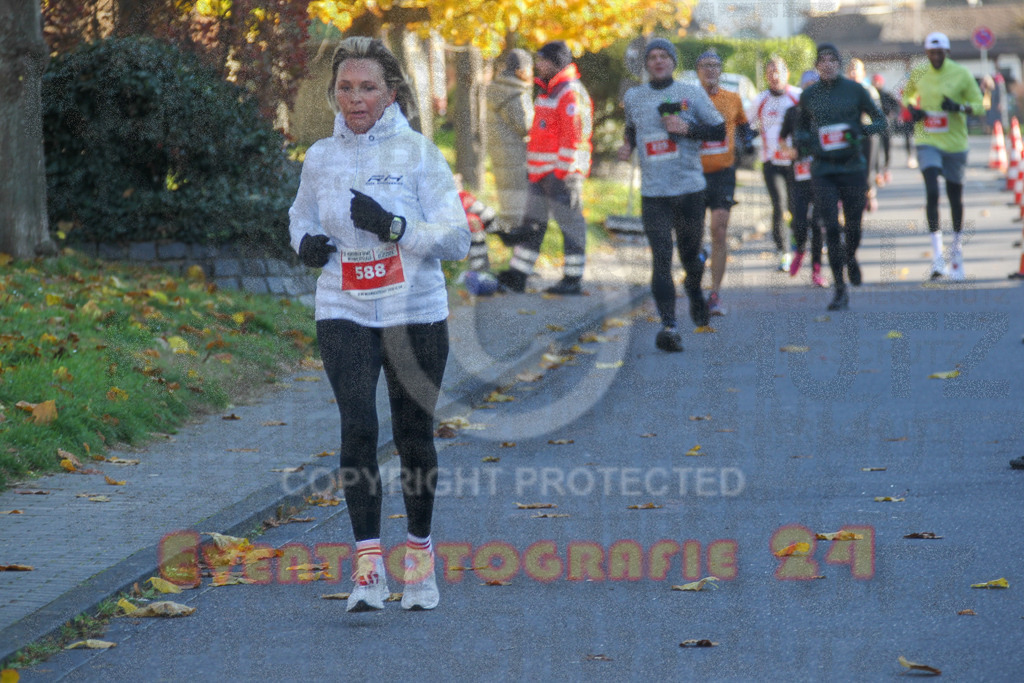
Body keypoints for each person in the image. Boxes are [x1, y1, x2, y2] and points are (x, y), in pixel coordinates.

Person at [288, 37, 470, 612]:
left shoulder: (418, 154)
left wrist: (394, 228)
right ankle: (369, 568)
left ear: (391, 92)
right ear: (333, 94)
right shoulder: (320, 157)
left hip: (412, 308)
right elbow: (299, 216)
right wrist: (306, 244)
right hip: (343, 306)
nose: (356, 98)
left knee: (413, 434)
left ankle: (418, 555)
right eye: (346, 87)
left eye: (367, 87)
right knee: (357, 429)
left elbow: (457, 239)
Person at [617, 38, 725, 352]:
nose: (658, 61)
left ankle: (694, 290)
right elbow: (633, 128)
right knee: (661, 258)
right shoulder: (635, 96)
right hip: (654, 192)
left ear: (673, 61)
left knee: (691, 258)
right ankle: (669, 326)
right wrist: (628, 145)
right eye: (652, 57)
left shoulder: (691, 93)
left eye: (664, 56)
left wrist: (688, 129)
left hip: (689, 189)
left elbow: (718, 130)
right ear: (646, 64)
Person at [497, 41, 593, 295]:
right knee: (533, 224)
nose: (538, 65)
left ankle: (572, 279)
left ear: (555, 62)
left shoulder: (569, 92)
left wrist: (561, 172)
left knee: (569, 225)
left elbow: (573, 137)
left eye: (542, 60)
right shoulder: (548, 90)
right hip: (542, 173)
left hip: (561, 173)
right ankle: (518, 274)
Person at [796, 43, 885, 311]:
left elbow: (881, 121)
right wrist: (811, 142)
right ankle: (840, 289)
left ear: (839, 62)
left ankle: (851, 257)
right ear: (816, 66)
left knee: (853, 227)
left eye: (832, 59)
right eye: (822, 60)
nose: (827, 64)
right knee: (831, 228)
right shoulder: (808, 96)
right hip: (823, 170)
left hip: (853, 168)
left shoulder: (856, 90)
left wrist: (860, 131)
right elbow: (799, 132)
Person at [902, 32, 985, 281]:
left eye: (940, 53)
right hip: (927, 140)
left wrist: (959, 107)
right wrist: (913, 108)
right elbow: (907, 94)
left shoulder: (961, 74)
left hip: (955, 144)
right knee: (932, 191)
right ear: (927, 53)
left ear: (947, 53)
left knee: (954, 196)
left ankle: (956, 252)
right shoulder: (918, 72)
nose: (936, 57)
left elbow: (979, 105)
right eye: (931, 53)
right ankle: (938, 258)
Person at [695, 49, 751, 316]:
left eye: (715, 65)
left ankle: (715, 293)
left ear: (720, 70)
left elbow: (743, 124)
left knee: (719, 229)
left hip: (723, 173)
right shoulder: (688, 100)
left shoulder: (733, 98)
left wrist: (748, 141)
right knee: (691, 235)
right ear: (698, 70)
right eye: (705, 66)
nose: (711, 70)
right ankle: (699, 262)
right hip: (692, 174)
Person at [749, 56, 801, 272]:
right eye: (770, 71)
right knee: (779, 206)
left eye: (778, 70)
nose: (775, 75)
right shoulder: (760, 100)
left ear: (786, 73)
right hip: (771, 161)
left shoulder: (797, 96)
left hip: (795, 162)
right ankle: (784, 251)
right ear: (766, 75)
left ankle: (799, 242)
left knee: (796, 207)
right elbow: (747, 124)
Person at [778, 69, 828, 288]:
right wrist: (789, 151)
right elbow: (781, 139)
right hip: (798, 174)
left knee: (818, 223)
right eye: (807, 86)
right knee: (798, 219)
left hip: (821, 174)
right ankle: (799, 249)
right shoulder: (793, 112)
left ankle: (816, 270)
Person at [484, 49, 534, 238]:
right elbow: (526, 126)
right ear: (521, 70)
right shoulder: (515, 93)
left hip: (499, 149)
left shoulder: (496, 88)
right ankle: (514, 234)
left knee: (506, 190)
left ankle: (508, 228)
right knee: (517, 194)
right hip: (515, 150)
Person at [846, 59, 883, 212]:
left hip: (867, 134)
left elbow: (877, 115)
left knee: (867, 168)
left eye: (857, 69)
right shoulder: (843, 91)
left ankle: (870, 193)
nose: (853, 73)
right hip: (849, 135)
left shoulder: (869, 91)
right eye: (851, 69)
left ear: (863, 73)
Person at [871, 73, 899, 187]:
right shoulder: (870, 94)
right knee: (876, 150)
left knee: (887, 148)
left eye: (878, 81)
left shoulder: (887, 94)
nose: (877, 84)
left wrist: (892, 114)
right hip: (876, 126)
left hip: (887, 126)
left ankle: (886, 168)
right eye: (875, 81)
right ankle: (878, 173)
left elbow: (896, 106)